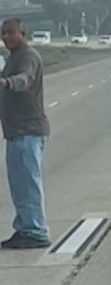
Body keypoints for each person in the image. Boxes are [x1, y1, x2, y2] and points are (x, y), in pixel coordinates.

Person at [0, 18, 51, 249]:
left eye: (11, 33)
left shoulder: (29, 56)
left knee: (28, 184)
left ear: (23, 33)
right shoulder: (13, 58)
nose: (6, 37)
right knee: (19, 185)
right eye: (3, 33)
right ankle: (25, 228)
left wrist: (7, 83)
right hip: (15, 132)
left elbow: (25, 80)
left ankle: (36, 231)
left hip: (28, 131)